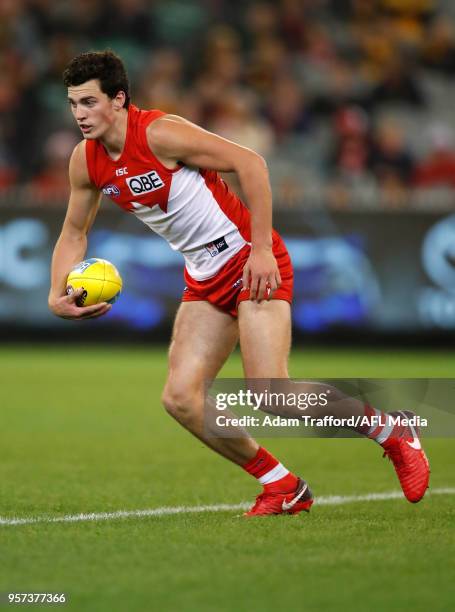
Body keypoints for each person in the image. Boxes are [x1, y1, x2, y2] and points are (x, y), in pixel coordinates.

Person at [48, 50, 430, 516]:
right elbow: (73, 232)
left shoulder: (160, 133)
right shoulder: (85, 161)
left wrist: (264, 248)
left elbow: (251, 164)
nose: (80, 115)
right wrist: (55, 294)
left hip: (251, 261)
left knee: (273, 395)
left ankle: (392, 431)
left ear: (119, 99)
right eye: (73, 104)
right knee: (181, 399)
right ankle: (282, 485)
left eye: (88, 102)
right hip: (205, 275)